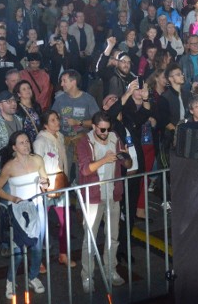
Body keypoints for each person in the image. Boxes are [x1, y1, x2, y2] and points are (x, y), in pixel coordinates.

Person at [76, 112, 132, 293]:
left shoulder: (115, 138)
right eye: (102, 129)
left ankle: (111, 270)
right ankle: (87, 276)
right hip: (92, 196)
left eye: (108, 129)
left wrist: (125, 157)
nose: (106, 132)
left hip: (112, 194)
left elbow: (128, 165)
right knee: (89, 239)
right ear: (93, 127)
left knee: (113, 237)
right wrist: (104, 160)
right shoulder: (84, 142)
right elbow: (85, 170)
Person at [0, 131, 48, 296]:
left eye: (27, 141)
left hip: (37, 207)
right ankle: (10, 281)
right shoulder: (9, 166)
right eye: (21, 142)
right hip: (19, 211)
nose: (26, 145)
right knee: (17, 252)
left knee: (37, 247)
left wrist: (46, 183)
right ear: (14, 147)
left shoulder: (37, 159)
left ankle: (33, 277)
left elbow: (45, 181)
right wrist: (12, 198)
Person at [33, 110, 75, 267]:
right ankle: (39, 261)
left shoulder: (60, 137)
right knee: (41, 225)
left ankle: (63, 254)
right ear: (45, 125)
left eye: (57, 119)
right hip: (45, 189)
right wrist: (43, 185)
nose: (57, 122)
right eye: (52, 120)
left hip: (60, 184)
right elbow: (37, 166)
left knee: (66, 221)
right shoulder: (40, 142)